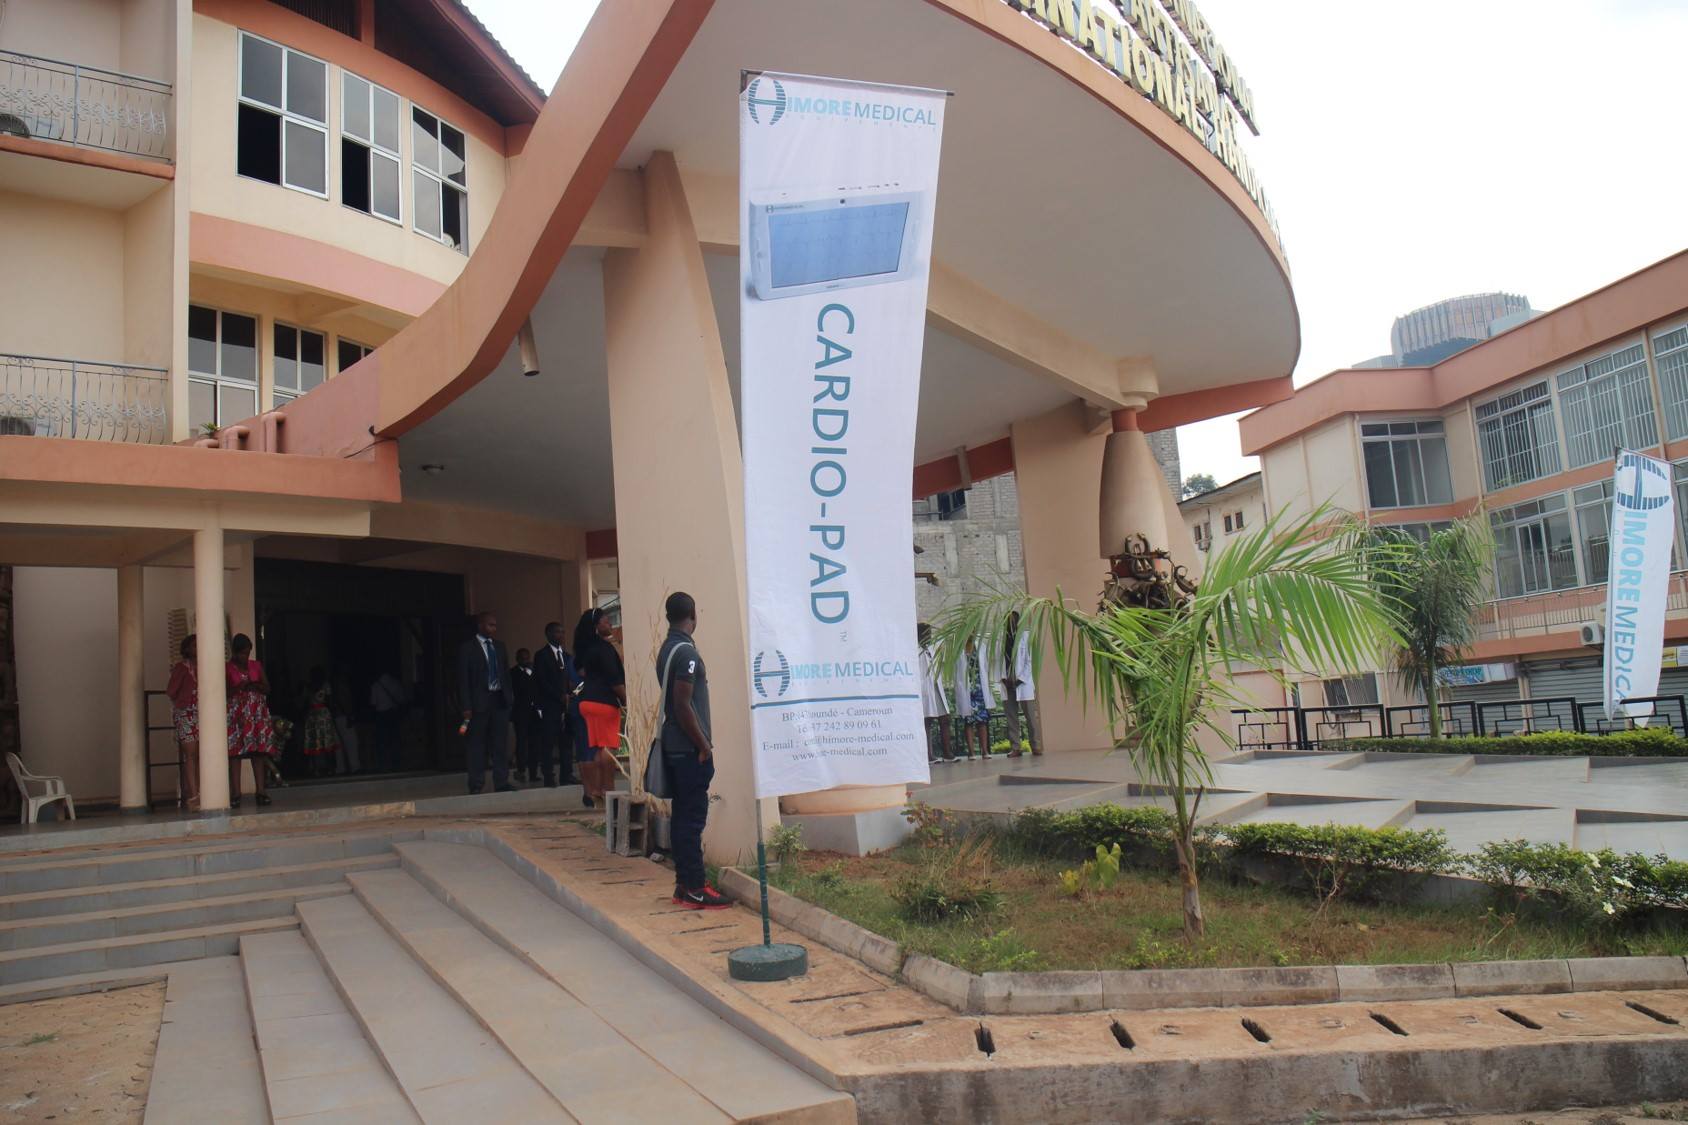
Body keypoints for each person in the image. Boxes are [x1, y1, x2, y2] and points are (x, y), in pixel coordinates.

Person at [657, 592, 730, 910]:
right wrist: (703, 745)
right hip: (689, 749)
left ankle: (684, 885)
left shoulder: (667, 649)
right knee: (692, 820)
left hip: (675, 746)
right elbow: (682, 703)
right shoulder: (686, 652)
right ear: (693, 615)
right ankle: (697, 889)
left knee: (681, 818)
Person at [455, 611, 514, 794]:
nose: (494, 628)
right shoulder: (467, 648)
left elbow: (506, 674)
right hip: (478, 703)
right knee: (477, 745)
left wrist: (509, 698)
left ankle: (501, 782)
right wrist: (466, 705)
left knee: (500, 744)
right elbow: (463, 679)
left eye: (495, 625)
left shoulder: (500, 646)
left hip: (499, 700)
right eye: (490, 625)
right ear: (480, 625)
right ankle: (476, 783)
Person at [573, 608, 625, 808]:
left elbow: (582, 672)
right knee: (608, 747)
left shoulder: (585, 649)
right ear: (596, 626)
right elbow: (614, 679)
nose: (610, 623)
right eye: (606, 620)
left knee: (597, 746)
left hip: (587, 702)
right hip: (604, 702)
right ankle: (608, 789)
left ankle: (597, 790)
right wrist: (625, 699)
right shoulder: (604, 649)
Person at [226, 634, 275, 807]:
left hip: (256, 714)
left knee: (258, 753)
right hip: (237, 716)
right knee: (235, 754)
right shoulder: (228, 668)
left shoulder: (255, 666)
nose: (245, 657)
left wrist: (256, 685)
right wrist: (239, 687)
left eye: (247, 653)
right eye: (242, 653)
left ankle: (261, 791)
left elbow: (267, 688)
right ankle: (236, 793)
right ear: (234, 652)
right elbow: (224, 691)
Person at [532, 622, 578, 788]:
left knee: (566, 742)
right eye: (557, 632)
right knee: (548, 742)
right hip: (550, 705)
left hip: (567, 706)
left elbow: (572, 679)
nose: (561, 635)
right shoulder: (541, 655)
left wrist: (571, 694)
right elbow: (542, 681)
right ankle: (549, 777)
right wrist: (559, 696)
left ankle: (567, 775)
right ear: (549, 634)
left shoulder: (567, 656)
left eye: (563, 632)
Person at [999, 613, 1041, 757]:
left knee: (1031, 717)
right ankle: (1016, 747)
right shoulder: (1000, 640)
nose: (1009, 624)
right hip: (1006, 682)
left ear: (1018, 622)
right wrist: (1003, 679)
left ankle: (1035, 745)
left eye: (1012, 621)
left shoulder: (1026, 637)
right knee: (1011, 717)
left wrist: (1019, 679)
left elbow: (1030, 661)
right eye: (1007, 621)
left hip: (1023, 683)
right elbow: (997, 661)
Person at [166, 635, 200, 809]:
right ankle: (193, 795)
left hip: (204, 714)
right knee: (191, 754)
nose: (197, 648)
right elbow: (171, 691)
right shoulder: (181, 668)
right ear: (186, 649)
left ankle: (203, 791)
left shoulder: (206, 665)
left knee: (203, 754)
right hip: (186, 713)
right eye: (194, 645)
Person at [952, 637, 995, 760]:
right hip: (966, 689)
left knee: (982, 721)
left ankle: (985, 751)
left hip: (980, 688)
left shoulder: (981, 646)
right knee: (968, 721)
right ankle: (971, 752)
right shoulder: (958, 649)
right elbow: (955, 671)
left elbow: (986, 667)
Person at [918, 624, 954, 765]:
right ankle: (928, 755)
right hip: (925, 690)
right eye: (927, 633)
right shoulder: (916, 651)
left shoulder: (931, 648)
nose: (930, 636)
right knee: (927, 721)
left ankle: (947, 753)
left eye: (930, 633)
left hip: (936, 687)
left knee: (945, 719)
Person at [301, 666, 340, 777]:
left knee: (315, 742)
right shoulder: (324, 686)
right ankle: (329, 768)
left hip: (314, 715)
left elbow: (304, 702)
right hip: (322, 714)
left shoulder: (310, 686)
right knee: (326, 741)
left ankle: (318, 769)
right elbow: (330, 700)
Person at [510, 647, 540, 784]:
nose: (526, 661)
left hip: (534, 713)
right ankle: (521, 770)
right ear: (517, 659)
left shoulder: (534, 671)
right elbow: (518, 689)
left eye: (527, 658)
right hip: (520, 713)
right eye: (522, 658)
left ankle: (533, 773)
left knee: (535, 743)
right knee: (522, 743)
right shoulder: (513, 673)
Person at [368, 670, 405, 774]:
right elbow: (402, 699)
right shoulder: (395, 682)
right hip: (393, 714)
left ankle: (383, 765)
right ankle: (396, 764)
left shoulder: (376, 685)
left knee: (382, 741)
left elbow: (373, 703)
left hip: (381, 715)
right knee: (395, 740)